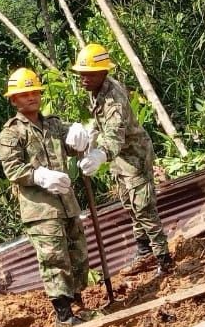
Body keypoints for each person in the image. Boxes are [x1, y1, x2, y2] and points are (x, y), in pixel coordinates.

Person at [66, 43, 174, 278]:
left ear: (103, 72)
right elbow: (101, 123)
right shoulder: (97, 91)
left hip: (134, 157)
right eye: (81, 74)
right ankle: (143, 250)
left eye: (89, 74)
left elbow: (115, 135)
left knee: (144, 208)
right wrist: (90, 133)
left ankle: (164, 259)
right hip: (120, 160)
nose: (83, 79)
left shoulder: (113, 97)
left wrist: (99, 155)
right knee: (130, 205)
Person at [0, 67, 90, 327]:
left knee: (77, 254)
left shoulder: (53, 124)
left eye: (35, 92)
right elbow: (12, 169)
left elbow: (73, 142)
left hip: (66, 203)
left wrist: (82, 135)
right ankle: (64, 315)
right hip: (41, 209)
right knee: (54, 258)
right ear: (14, 100)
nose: (31, 97)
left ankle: (79, 306)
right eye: (24, 94)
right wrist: (38, 176)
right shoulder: (11, 133)